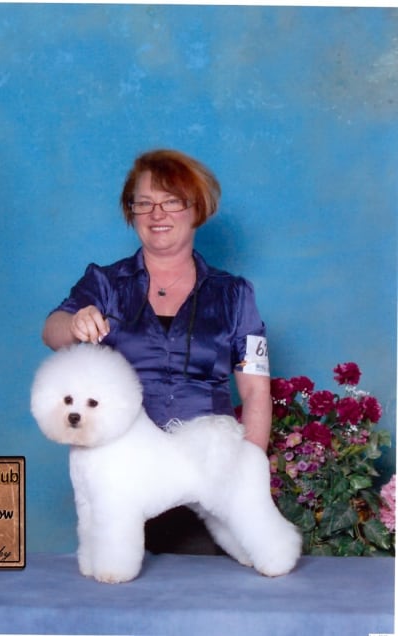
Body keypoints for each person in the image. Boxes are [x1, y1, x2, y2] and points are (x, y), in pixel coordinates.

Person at [42, 148, 271, 554]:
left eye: (171, 202)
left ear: (196, 209)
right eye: (143, 203)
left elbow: (255, 391)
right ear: (131, 214)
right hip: (122, 473)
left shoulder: (234, 295)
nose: (156, 214)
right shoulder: (105, 283)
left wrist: (247, 468)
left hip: (208, 476)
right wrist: (74, 324)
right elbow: (51, 330)